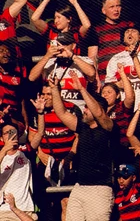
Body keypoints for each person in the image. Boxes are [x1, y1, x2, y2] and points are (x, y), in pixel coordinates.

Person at [49, 77, 115, 221]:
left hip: (100, 189)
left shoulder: (108, 128)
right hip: (80, 187)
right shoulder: (83, 127)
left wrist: (81, 89)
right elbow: (62, 113)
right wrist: (54, 90)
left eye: (87, 107)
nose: (84, 110)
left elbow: (98, 113)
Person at [0, 123, 33, 221]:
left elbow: (38, 135)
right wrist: (6, 148)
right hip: (6, 211)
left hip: (26, 209)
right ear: (1, 138)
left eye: (14, 132)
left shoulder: (26, 152)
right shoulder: (1, 156)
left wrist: (40, 113)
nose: (11, 135)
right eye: (7, 133)